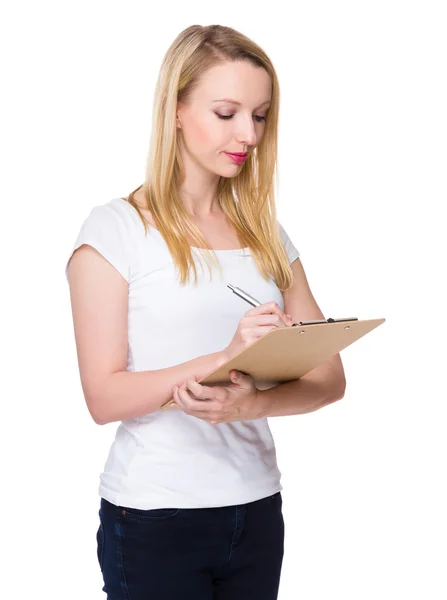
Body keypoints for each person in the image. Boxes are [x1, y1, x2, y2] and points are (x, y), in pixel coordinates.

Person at [65, 24, 346, 600]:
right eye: (227, 112)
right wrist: (225, 357)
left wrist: (251, 402)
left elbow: (329, 379)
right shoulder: (115, 231)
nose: (249, 133)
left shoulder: (267, 235)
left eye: (261, 115)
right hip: (154, 518)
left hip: (256, 509)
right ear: (174, 109)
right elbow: (103, 397)